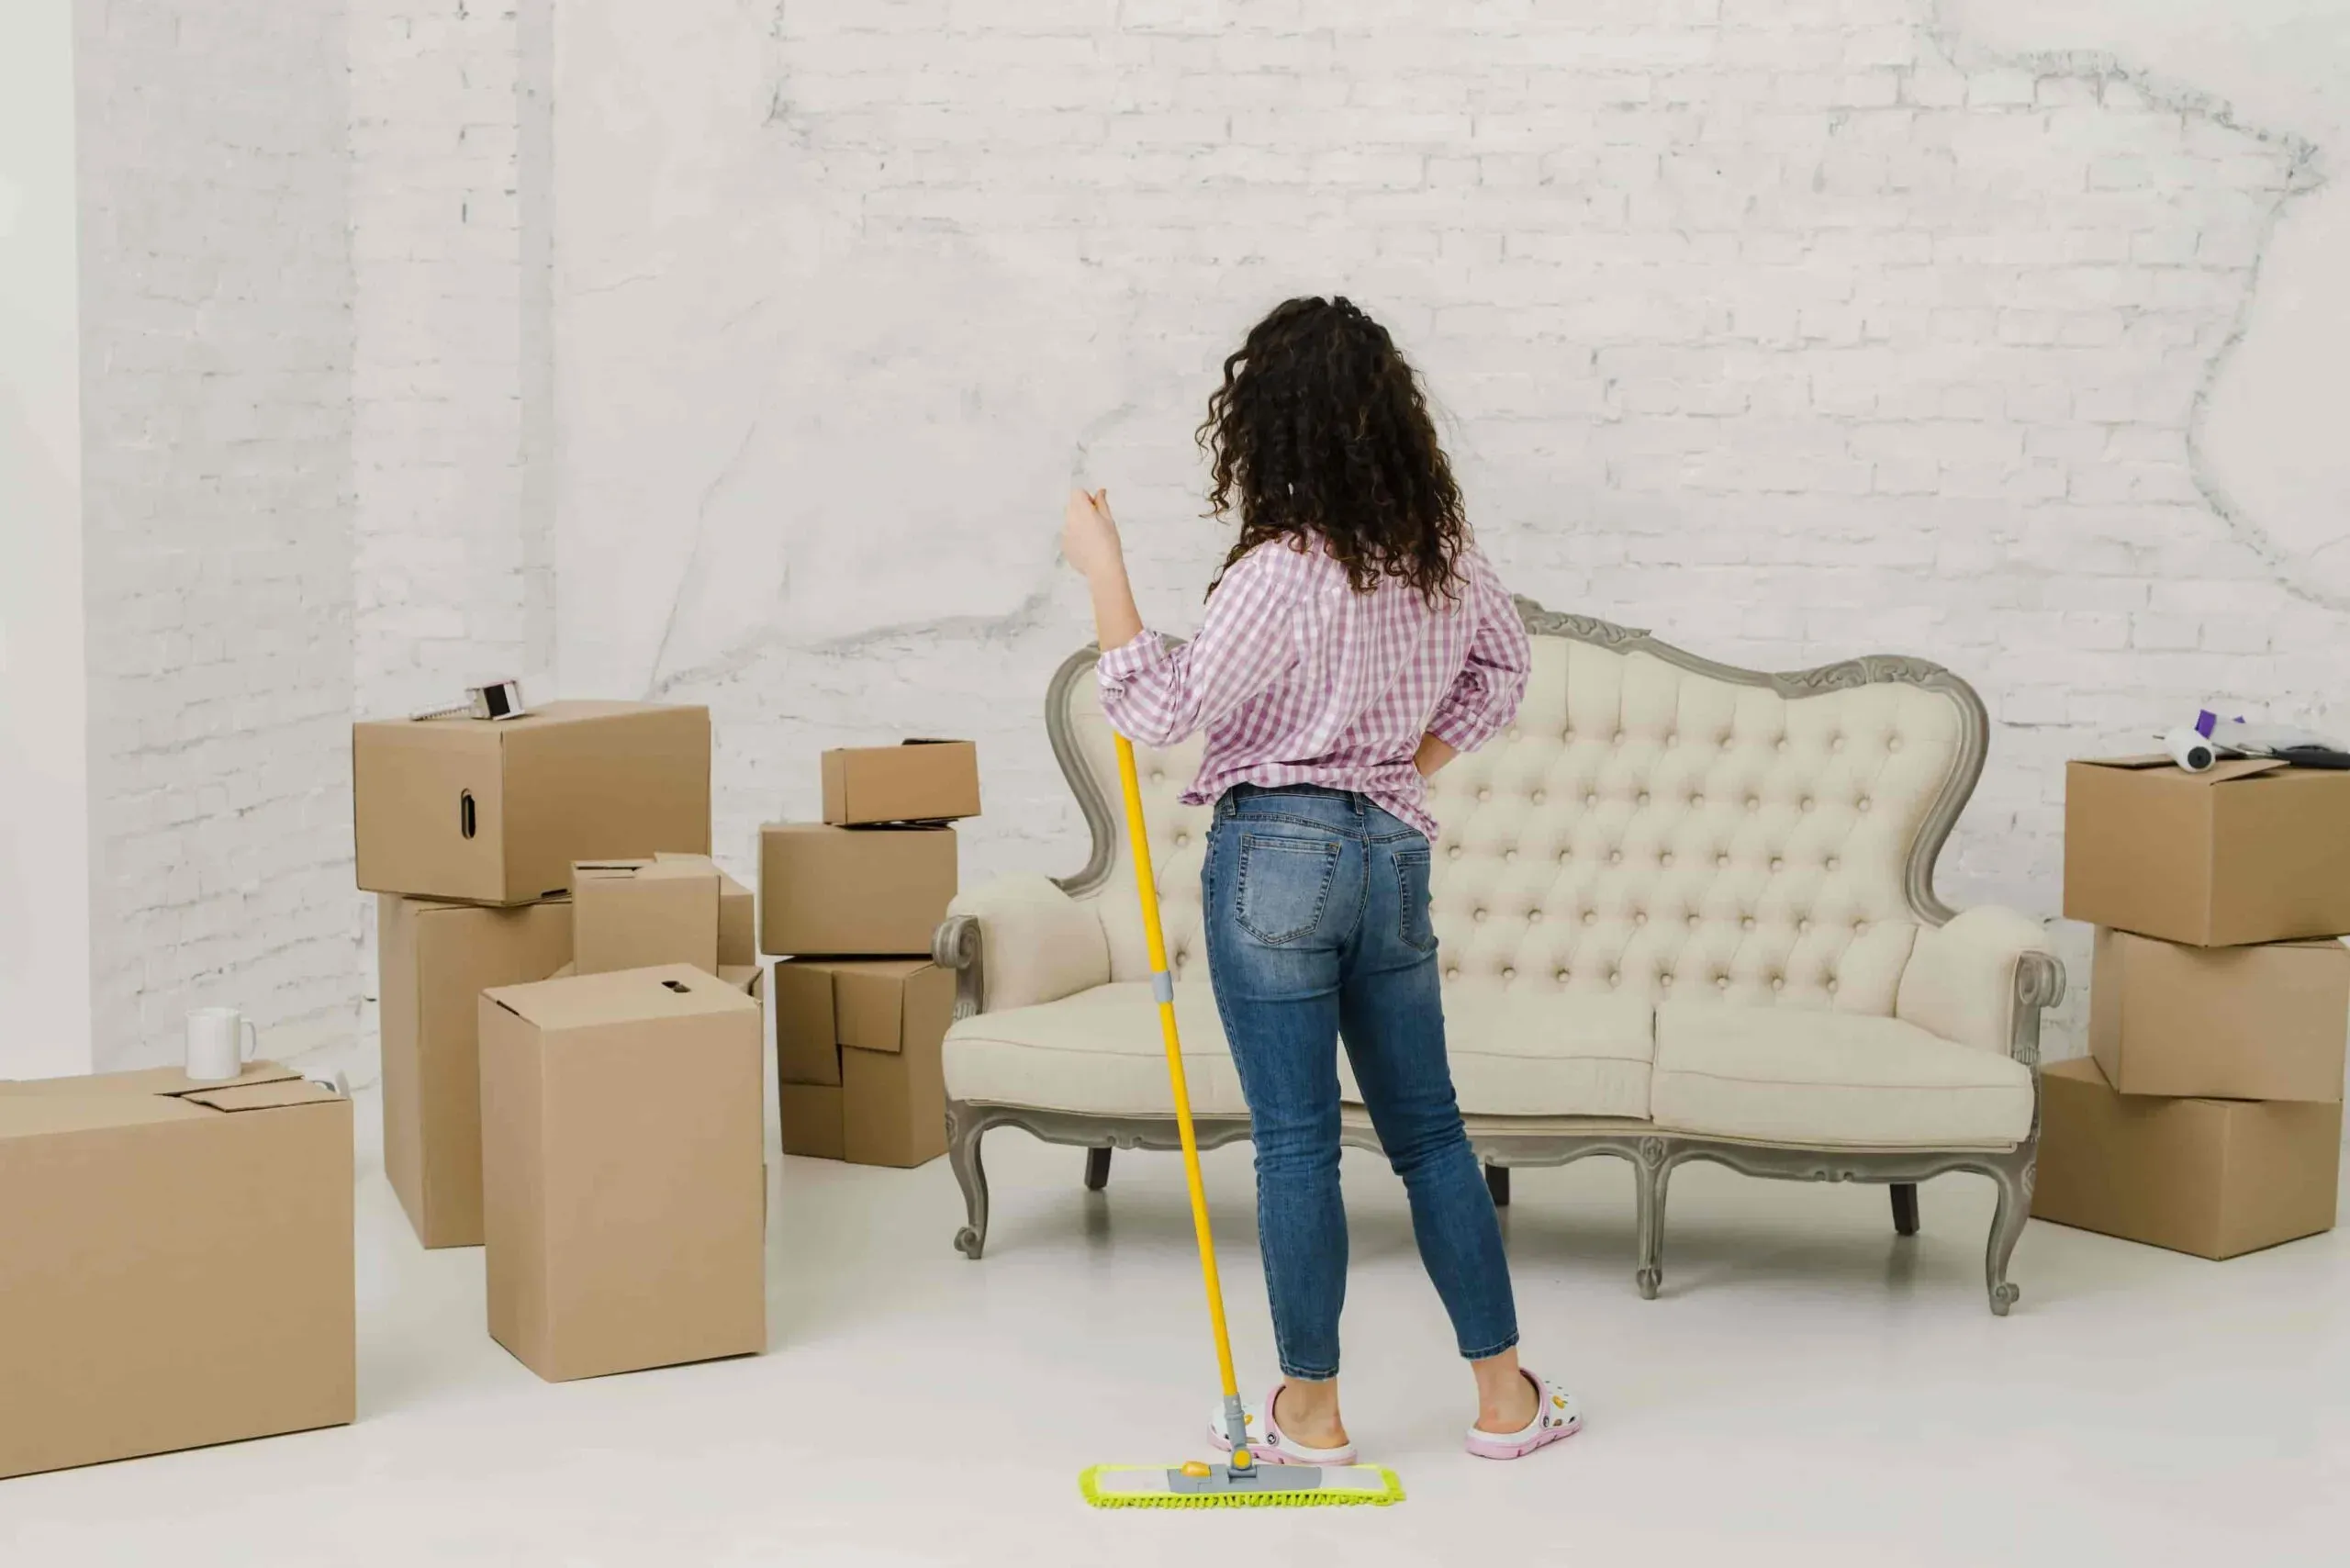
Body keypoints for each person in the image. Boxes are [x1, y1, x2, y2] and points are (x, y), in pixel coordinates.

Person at [1058, 296, 1580, 1464]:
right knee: (1433, 1136)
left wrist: (1105, 567)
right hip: (1389, 851)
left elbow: (1158, 709)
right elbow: (1502, 670)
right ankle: (1504, 1400)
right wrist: (1401, 761)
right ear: (1390, 422)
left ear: (1266, 429)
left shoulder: (1280, 571)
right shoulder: (1442, 559)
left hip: (1274, 861)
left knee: (1296, 1143)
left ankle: (1313, 1411)